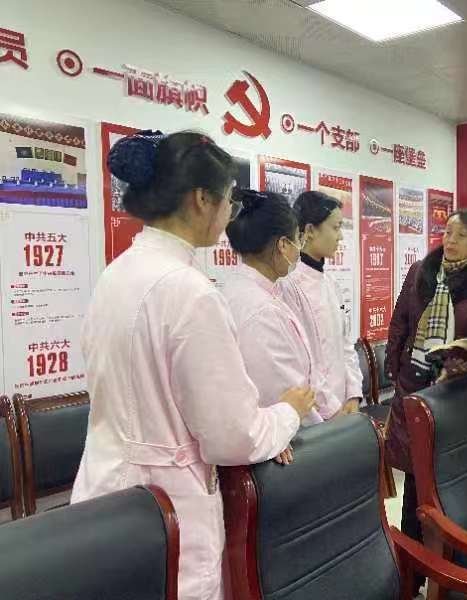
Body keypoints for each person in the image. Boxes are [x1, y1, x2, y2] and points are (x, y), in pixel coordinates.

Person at [71, 130, 316, 600]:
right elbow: (232, 436)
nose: (230, 213)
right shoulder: (190, 291)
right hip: (166, 511)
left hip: (106, 499)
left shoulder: (117, 274)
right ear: (203, 199)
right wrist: (288, 412)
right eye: (229, 200)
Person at [384, 209, 467, 578]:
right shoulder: (421, 272)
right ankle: (411, 567)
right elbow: (401, 321)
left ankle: (446, 563)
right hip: (413, 383)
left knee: (444, 477)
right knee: (414, 473)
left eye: (461, 235)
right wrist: (394, 366)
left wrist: (461, 362)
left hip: (452, 393)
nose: (450, 241)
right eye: (448, 232)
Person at [223, 189, 343, 426]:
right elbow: (287, 395)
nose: (300, 246)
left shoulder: (276, 286)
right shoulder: (259, 311)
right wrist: (331, 428)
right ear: (283, 245)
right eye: (298, 239)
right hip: (289, 430)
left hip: (305, 419)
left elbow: (313, 366)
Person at [278, 191, 362, 417]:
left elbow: (345, 345)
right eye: (335, 227)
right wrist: (333, 410)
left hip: (344, 406)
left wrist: (353, 394)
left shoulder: (330, 284)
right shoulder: (290, 287)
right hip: (314, 413)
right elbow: (302, 365)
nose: (340, 236)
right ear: (310, 230)